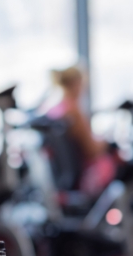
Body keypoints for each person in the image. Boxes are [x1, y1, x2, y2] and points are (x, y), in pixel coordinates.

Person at [47, 66, 115, 196]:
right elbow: (92, 150)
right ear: (77, 83)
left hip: (65, 174)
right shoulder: (73, 111)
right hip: (86, 175)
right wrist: (106, 140)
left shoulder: (55, 109)